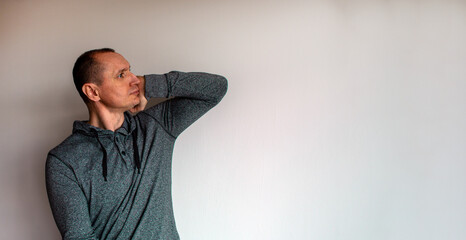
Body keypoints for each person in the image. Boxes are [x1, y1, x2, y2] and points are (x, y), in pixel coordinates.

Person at [45, 48, 228, 240]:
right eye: (121, 75)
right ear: (92, 91)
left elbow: (216, 88)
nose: (135, 79)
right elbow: (79, 237)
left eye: (130, 71)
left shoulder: (157, 126)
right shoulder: (64, 160)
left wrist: (150, 85)